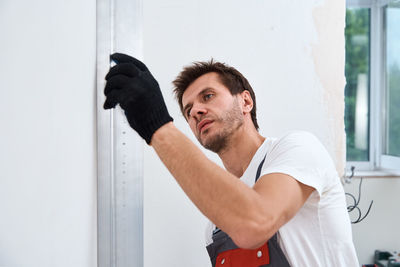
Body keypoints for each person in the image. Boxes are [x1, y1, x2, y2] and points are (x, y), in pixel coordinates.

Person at [103, 53, 359, 267]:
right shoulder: (216, 228)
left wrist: (159, 128)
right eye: (188, 110)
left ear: (245, 101)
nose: (196, 111)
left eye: (208, 96)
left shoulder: (296, 149)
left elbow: (255, 222)